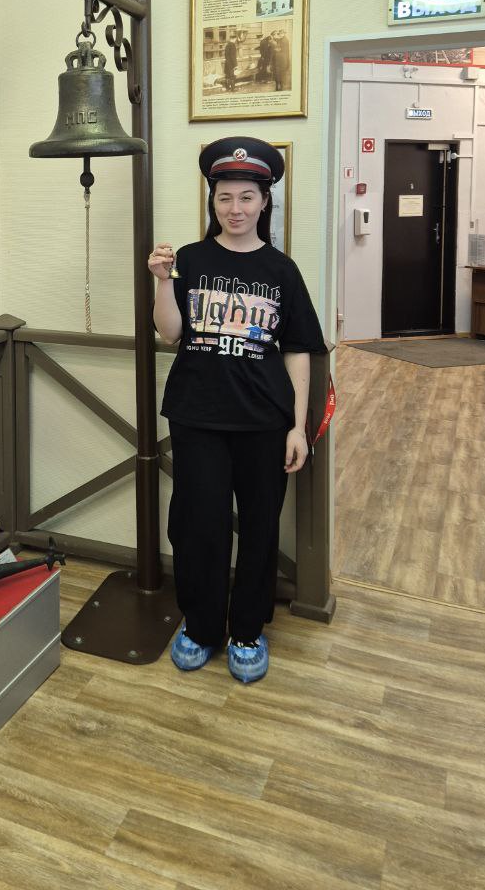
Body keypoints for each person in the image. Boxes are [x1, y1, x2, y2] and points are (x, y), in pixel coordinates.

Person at [147, 138, 326, 683]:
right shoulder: (191, 260)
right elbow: (171, 333)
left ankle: (247, 630)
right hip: (197, 415)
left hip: (264, 420)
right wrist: (162, 282)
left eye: (247, 197)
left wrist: (297, 426)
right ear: (213, 200)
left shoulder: (282, 270)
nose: (236, 208)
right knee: (198, 526)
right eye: (225, 197)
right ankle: (201, 626)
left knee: (260, 528)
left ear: (265, 202)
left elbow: (299, 350)